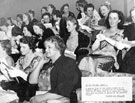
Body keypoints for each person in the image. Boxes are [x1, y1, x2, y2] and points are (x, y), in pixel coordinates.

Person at [30, 36, 81, 103]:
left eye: (49, 47)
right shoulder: (47, 63)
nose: (46, 50)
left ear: (59, 48)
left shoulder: (68, 63)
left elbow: (64, 90)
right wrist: (41, 63)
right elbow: (32, 81)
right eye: (45, 48)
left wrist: (41, 98)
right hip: (44, 97)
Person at [79, 10, 125, 75]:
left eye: (114, 18)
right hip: (97, 54)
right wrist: (98, 40)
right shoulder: (103, 31)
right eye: (110, 18)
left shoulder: (121, 32)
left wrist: (105, 38)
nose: (111, 21)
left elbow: (119, 46)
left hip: (109, 57)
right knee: (84, 60)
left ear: (119, 20)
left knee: (94, 63)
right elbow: (93, 48)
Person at [1, 36, 42, 102]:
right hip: (21, 87)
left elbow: (34, 80)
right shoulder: (21, 58)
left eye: (24, 47)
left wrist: (20, 74)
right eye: (20, 47)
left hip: (31, 89)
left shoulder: (37, 59)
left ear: (31, 47)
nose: (21, 49)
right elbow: (14, 71)